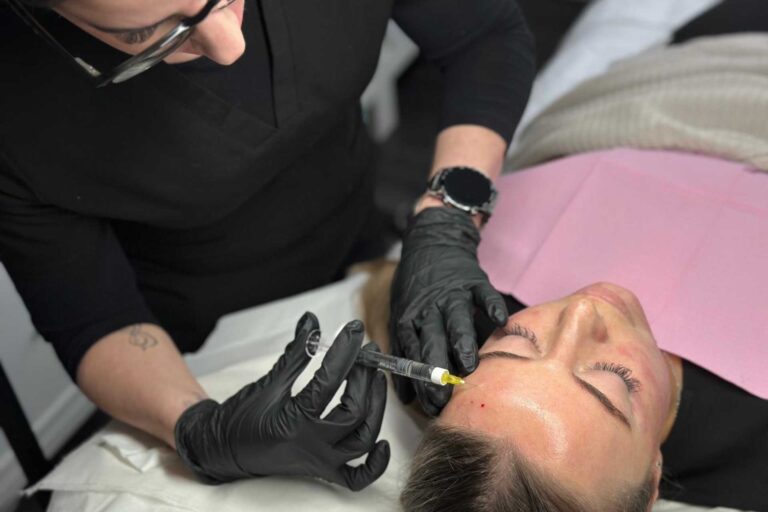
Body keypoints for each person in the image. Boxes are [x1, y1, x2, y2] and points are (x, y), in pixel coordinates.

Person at [0, 0, 534, 490]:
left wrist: (449, 218)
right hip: (206, 329)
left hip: (358, 221)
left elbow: (484, 36)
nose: (230, 44)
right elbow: (91, 318)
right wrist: (197, 428)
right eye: (152, 33)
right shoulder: (18, 114)